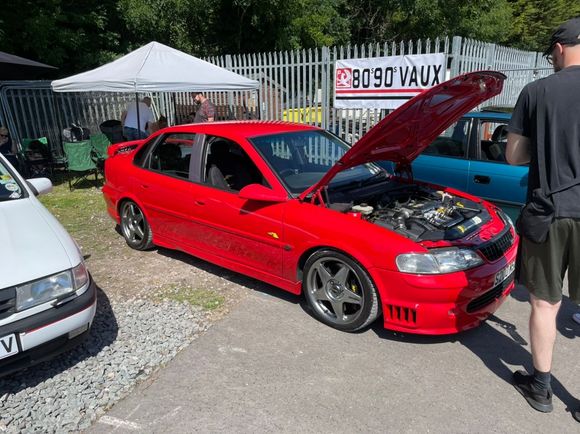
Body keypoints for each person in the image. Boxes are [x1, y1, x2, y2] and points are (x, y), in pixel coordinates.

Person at [506, 17, 580, 423]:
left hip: (548, 213)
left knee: (545, 303)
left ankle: (541, 387)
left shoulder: (536, 92)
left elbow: (513, 157)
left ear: (558, 49)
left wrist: (548, 146)